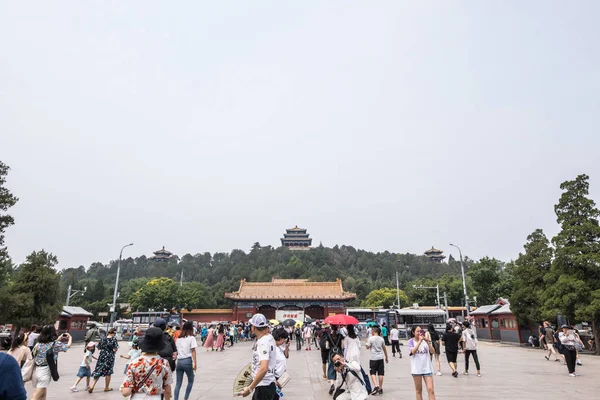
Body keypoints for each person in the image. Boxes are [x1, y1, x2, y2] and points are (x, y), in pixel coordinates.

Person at [121, 327, 173, 400]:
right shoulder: (164, 363)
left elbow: (125, 392)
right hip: (156, 397)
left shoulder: (134, 363)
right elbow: (167, 390)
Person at [239, 314, 277, 400]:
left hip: (263, 386)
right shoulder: (269, 337)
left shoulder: (263, 343)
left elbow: (264, 368)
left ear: (253, 327)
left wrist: (250, 388)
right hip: (268, 383)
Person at [31, 326, 72, 400]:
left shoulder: (38, 344)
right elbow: (67, 346)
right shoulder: (55, 344)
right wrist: (70, 338)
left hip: (36, 370)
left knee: (43, 395)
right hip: (45, 371)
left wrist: (57, 340)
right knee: (35, 397)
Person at [408, 325, 436, 400]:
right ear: (413, 332)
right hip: (417, 369)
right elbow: (412, 352)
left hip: (427, 368)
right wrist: (420, 341)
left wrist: (428, 342)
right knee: (419, 390)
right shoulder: (411, 341)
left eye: (421, 331)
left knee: (431, 390)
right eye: (417, 331)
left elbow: (433, 352)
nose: (419, 333)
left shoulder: (425, 341)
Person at [89, 327, 119, 393]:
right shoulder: (114, 339)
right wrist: (112, 351)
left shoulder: (103, 339)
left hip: (102, 355)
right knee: (108, 371)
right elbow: (115, 348)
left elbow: (99, 348)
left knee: (98, 369)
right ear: (114, 333)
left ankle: (92, 386)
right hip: (110, 356)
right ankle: (106, 387)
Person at [174, 321, 197, 400]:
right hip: (187, 360)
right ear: (191, 329)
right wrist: (195, 363)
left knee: (178, 383)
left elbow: (176, 352)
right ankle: (185, 398)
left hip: (179, 361)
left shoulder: (178, 339)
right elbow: (193, 350)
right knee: (191, 380)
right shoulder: (191, 338)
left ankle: (175, 398)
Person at [366, 326, 388, 395]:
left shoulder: (371, 339)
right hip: (380, 358)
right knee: (381, 373)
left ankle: (376, 386)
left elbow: (367, 347)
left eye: (372, 330)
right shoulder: (381, 339)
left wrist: (366, 342)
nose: (371, 332)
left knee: (373, 372)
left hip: (373, 358)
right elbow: (384, 348)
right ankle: (381, 388)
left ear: (374, 331)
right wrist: (386, 357)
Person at [325, 324, 345, 395]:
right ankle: (339, 385)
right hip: (339, 354)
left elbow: (327, 347)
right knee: (340, 368)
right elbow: (343, 346)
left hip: (331, 354)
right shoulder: (341, 336)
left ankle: (332, 384)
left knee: (331, 369)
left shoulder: (328, 336)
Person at [272, 327, 290, 399]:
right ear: (280, 338)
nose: (284, 341)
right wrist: (273, 379)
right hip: (274, 379)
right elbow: (268, 366)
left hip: (280, 377)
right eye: (283, 339)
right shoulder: (272, 349)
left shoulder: (279, 347)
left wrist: (286, 346)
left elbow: (286, 355)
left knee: (277, 397)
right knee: (274, 397)